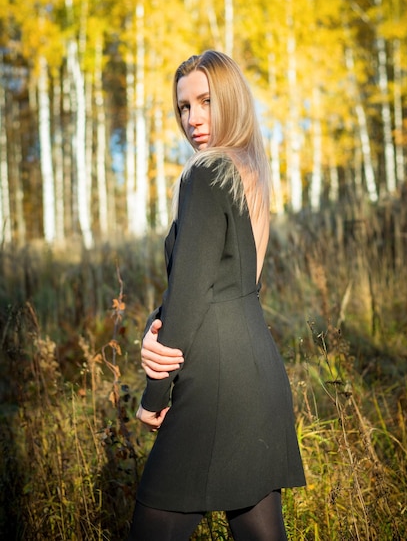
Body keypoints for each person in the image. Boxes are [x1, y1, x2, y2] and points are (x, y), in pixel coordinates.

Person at [128, 51, 305, 541]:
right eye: (184, 107)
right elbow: (225, 284)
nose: (193, 118)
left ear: (229, 99)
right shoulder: (249, 169)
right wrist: (155, 324)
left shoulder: (206, 174)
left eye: (205, 101)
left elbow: (189, 296)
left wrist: (153, 396)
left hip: (213, 387)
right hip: (258, 376)